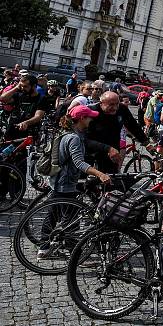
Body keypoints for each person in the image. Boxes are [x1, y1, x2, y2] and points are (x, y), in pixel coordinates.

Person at [38, 105, 112, 259]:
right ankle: (73, 255)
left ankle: (44, 248)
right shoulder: (74, 138)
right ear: (82, 119)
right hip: (64, 183)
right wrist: (99, 174)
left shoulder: (68, 133)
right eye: (89, 117)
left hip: (59, 181)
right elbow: (79, 163)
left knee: (55, 215)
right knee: (70, 219)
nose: (91, 120)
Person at [86, 91, 148, 174]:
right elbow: (84, 139)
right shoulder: (91, 111)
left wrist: (146, 142)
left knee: (112, 181)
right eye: (111, 105)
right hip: (92, 153)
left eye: (117, 104)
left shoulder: (122, 109)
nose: (115, 108)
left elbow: (133, 126)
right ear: (101, 103)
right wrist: (108, 149)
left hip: (112, 154)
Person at [0, 73, 47, 141]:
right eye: (21, 86)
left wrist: (26, 123)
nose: (22, 88)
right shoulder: (19, 95)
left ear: (34, 86)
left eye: (25, 86)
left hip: (27, 133)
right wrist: (16, 88)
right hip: (12, 130)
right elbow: (3, 98)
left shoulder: (41, 99)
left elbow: (38, 116)